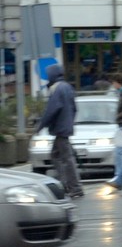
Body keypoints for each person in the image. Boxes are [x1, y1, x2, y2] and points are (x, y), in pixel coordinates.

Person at [36, 64, 84, 198]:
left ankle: (73, 187)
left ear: (52, 75)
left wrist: (41, 125)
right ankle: (66, 185)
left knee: (66, 159)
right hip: (65, 127)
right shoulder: (67, 87)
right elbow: (74, 108)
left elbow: (51, 110)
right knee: (57, 155)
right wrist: (69, 122)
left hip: (60, 129)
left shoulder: (57, 89)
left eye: (48, 74)